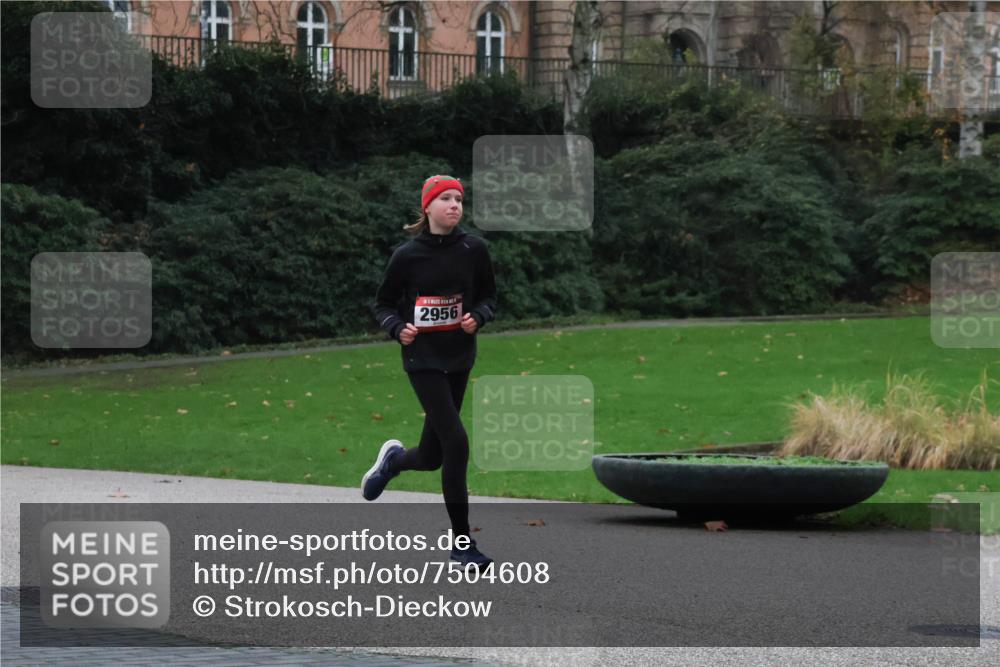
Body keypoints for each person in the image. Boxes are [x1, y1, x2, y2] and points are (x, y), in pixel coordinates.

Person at [364, 174, 498, 569]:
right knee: (456, 442)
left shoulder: (475, 249)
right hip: (422, 359)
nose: (455, 205)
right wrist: (396, 327)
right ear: (428, 207)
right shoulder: (407, 255)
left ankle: (393, 461)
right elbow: (383, 304)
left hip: (459, 357)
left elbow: (489, 296)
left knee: (432, 456)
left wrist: (479, 315)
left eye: (459, 199)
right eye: (446, 199)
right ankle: (462, 546)